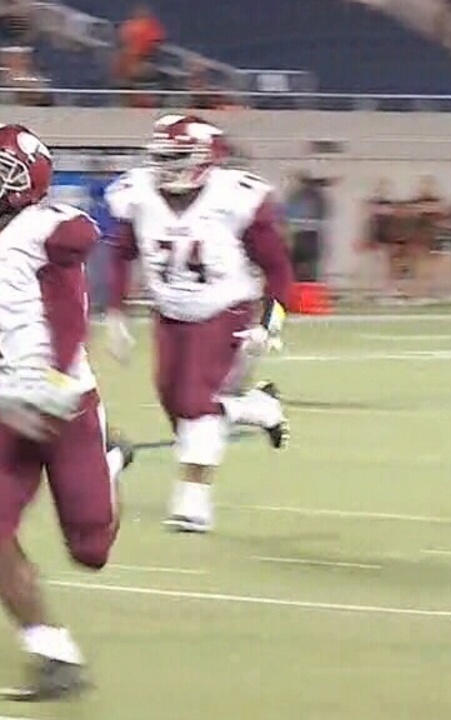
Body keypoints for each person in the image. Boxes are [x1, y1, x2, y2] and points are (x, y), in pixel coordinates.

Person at [0, 123, 134, 701]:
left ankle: (109, 461)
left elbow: (74, 278)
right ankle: (51, 652)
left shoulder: (47, 229)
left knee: (91, 552)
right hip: (4, 411)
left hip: (66, 406)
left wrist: (59, 375)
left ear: (24, 181)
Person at [104, 114, 292, 534]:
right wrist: (116, 312)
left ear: (205, 158)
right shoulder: (139, 194)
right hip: (169, 313)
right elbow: (121, 253)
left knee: (195, 402)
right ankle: (257, 408)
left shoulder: (235, 197)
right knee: (179, 405)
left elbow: (279, 269)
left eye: (177, 157)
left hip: (225, 309)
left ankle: (193, 500)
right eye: (162, 157)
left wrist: (270, 325)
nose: (165, 167)